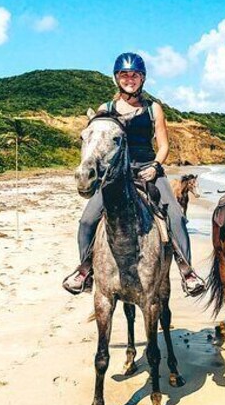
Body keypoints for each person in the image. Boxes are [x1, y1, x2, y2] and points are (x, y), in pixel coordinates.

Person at [62, 52, 206, 296]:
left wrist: (155, 167)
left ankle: (186, 270)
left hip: (148, 168)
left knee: (175, 215)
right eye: (124, 75)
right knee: (87, 220)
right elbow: (96, 143)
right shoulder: (105, 109)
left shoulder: (153, 109)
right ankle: (85, 270)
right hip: (116, 174)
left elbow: (163, 146)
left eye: (135, 75)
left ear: (143, 78)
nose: (130, 79)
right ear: (116, 78)